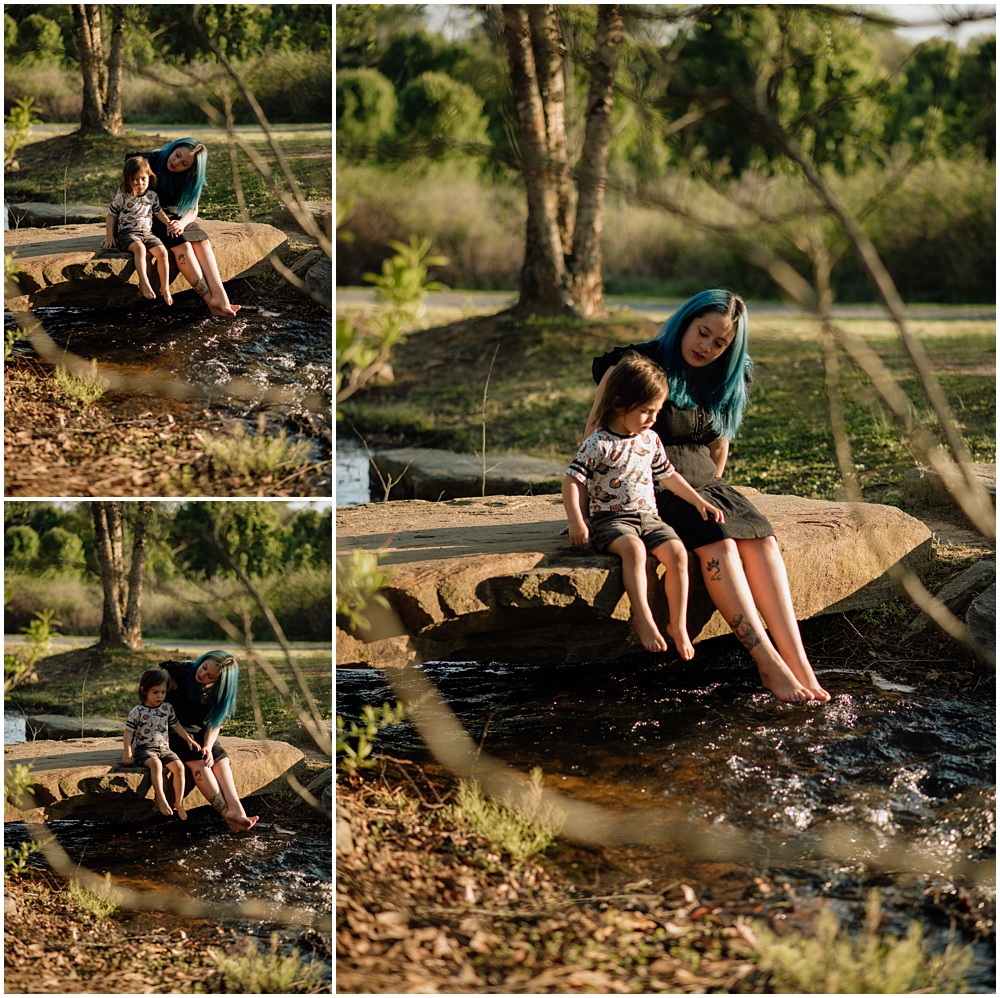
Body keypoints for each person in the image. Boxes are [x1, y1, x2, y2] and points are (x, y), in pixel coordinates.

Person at [586, 289, 831, 704]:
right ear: (685, 320)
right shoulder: (633, 364)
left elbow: (719, 443)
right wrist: (593, 509)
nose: (707, 347)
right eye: (703, 333)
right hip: (649, 485)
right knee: (719, 545)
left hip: (702, 482)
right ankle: (767, 664)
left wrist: (716, 490)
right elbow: (595, 432)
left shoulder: (729, 373)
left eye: (721, 343)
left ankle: (801, 666)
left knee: (762, 539)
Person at [564, 351, 725, 658]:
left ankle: (677, 624)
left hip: (649, 518)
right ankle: (643, 616)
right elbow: (573, 481)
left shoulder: (649, 440)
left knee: (677, 553)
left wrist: (699, 501)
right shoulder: (598, 443)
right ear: (620, 404)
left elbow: (670, 476)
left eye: (657, 411)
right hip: (611, 521)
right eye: (646, 412)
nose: (653, 419)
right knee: (634, 551)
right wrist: (576, 520)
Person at [127, 138, 240, 317]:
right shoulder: (150, 160)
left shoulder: (191, 177)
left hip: (177, 219)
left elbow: (193, 210)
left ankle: (221, 297)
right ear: (173, 148)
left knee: (203, 242)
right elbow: (128, 186)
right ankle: (211, 301)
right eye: (177, 155)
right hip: (149, 216)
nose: (176, 162)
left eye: (184, 163)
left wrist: (182, 223)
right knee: (184, 246)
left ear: (190, 168)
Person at [162, 650, 259, 832]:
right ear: (203, 660)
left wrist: (207, 746)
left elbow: (214, 724)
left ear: (218, 682)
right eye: (204, 667)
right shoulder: (179, 672)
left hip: (198, 732)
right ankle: (225, 813)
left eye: (210, 676)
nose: (202, 674)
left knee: (219, 757)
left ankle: (237, 810)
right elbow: (152, 694)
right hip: (172, 730)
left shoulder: (218, 693)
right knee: (199, 760)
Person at [122, 667, 208, 819]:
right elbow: (129, 732)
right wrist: (128, 751)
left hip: (164, 748)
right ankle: (160, 798)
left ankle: (179, 802)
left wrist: (189, 740)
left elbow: (176, 725)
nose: (160, 696)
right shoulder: (138, 711)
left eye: (163, 692)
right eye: (155, 692)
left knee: (179, 767)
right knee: (156, 765)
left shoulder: (167, 708)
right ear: (144, 690)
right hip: (145, 749)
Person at [100, 156, 174, 305]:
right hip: (128, 234)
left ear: (149, 177)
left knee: (162, 252)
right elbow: (111, 216)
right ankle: (144, 282)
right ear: (127, 179)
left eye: (143, 179)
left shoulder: (152, 196)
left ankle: (164, 287)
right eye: (134, 179)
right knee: (140, 249)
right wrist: (109, 237)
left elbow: (159, 212)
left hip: (147, 233)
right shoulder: (122, 197)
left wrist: (169, 224)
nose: (139, 183)